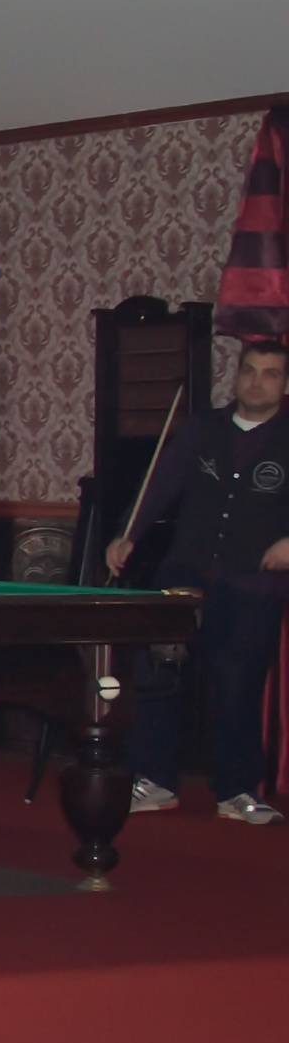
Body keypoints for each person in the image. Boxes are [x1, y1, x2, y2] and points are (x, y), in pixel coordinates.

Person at [111, 337, 289, 823]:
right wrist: (127, 534)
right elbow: (160, 483)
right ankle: (155, 781)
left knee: (238, 686)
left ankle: (236, 791)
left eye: (270, 374)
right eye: (249, 371)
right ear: (237, 376)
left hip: (253, 584)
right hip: (184, 573)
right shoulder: (202, 427)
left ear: (284, 384)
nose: (257, 382)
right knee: (157, 676)